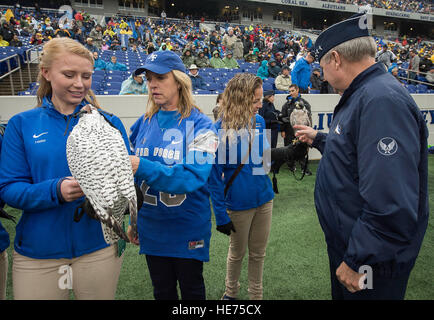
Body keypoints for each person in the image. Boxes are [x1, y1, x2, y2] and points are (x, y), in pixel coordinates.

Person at [295, 13, 429, 300]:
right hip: (356, 245)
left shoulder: (380, 100)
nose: (321, 72)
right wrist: (320, 138)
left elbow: (390, 198)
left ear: (336, 59)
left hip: (372, 260)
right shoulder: (367, 93)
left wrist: (357, 258)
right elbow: (358, 153)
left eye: (321, 65)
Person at [0, 37, 131, 300]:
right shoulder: (21, 124)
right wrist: (55, 190)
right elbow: (9, 188)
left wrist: (116, 195)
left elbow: (126, 186)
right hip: (38, 254)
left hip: (99, 248)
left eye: (86, 75)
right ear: (46, 73)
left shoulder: (110, 122)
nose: (79, 83)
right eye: (69, 74)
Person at [127, 50, 218, 300]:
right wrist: (134, 221)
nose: (152, 84)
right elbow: (134, 183)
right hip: (151, 228)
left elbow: (191, 177)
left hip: (187, 228)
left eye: (160, 77)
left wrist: (141, 165)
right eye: (148, 78)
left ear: (179, 81)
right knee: (162, 291)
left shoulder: (203, 126)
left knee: (192, 291)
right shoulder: (143, 122)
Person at [208, 73, 274, 301]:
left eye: (261, 99)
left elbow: (264, 161)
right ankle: (231, 294)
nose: (260, 105)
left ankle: (256, 297)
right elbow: (214, 178)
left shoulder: (261, 121)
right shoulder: (218, 129)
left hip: (265, 199)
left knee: (259, 254)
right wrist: (220, 215)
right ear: (239, 98)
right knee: (237, 254)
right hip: (238, 204)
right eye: (255, 100)